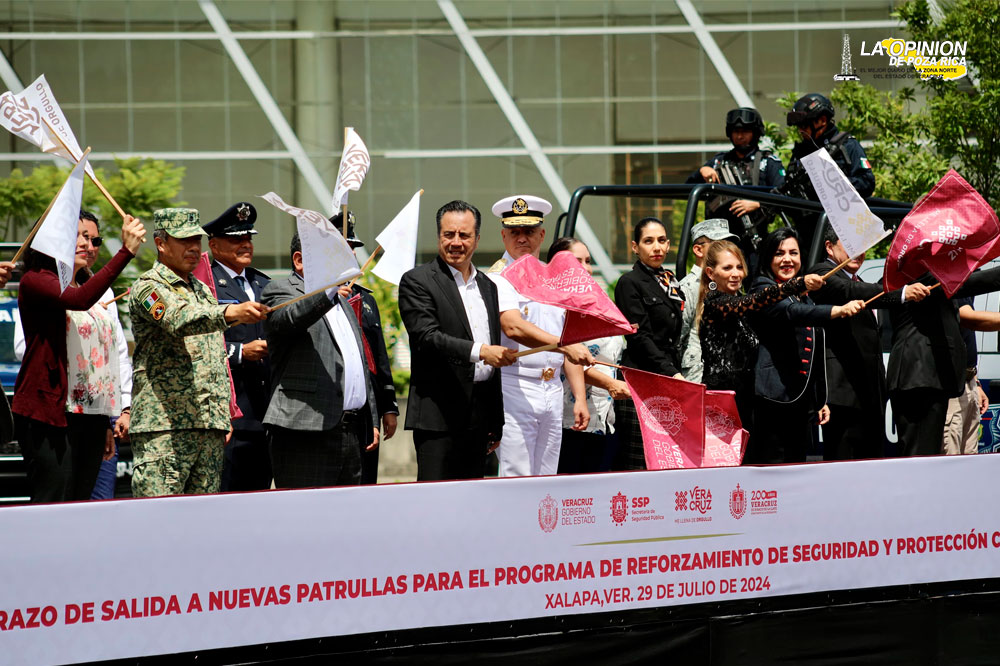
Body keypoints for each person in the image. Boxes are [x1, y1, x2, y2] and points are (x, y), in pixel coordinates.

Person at [129, 208, 268, 497]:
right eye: (184, 241)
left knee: (202, 524)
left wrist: (222, 415)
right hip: (164, 430)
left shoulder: (202, 291)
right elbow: (179, 319)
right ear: (161, 242)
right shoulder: (148, 288)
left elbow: (216, 358)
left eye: (197, 240)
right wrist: (231, 312)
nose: (194, 248)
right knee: (158, 522)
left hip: (208, 428)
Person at [13, 212, 144, 502]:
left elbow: (109, 357)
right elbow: (78, 301)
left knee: (81, 504)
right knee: (53, 501)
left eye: (92, 238)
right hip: (51, 414)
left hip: (90, 417)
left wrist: (106, 421)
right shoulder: (37, 281)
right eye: (79, 235)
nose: (88, 244)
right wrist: (126, 252)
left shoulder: (92, 287)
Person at [398, 200, 514, 481]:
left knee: (475, 503)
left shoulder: (487, 286)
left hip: (480, 417)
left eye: (464, 235)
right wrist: (481, 351)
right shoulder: (418, 281)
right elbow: (427, 337)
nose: (456, 242)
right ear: (438, 236)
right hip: (438, 417)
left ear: (477, 239)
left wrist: (495, 420)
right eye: (448, 234)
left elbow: (492, 358)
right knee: (435, 504)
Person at [261, 232, 380, 488]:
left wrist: (371, 418)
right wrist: (327, 291)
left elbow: (358, 366)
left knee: (346, 521)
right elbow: (289, 318)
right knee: (303, 520)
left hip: (350, 432)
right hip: (304, 431)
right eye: (331, 255)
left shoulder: (344, 303)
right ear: (299, 260)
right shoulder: (279, 290)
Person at [487, 194, 593, 477]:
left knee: (547, 478)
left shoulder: (552, 279)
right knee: (517, 476)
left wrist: (579, 397)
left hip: (552, 388)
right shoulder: (499, 278)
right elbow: (514, 327)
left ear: (542, 234)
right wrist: (565, 346)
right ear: (503, 235)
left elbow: (568, 338)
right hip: (515, 386)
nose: (522, 238)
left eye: (530, 231)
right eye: (515, 232)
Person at [806, 225, 930, 460]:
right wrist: (901, 293)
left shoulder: (859, 279)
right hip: (842, 393)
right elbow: (850, 290)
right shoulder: (823, 274)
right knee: (842, 465)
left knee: (870, 466)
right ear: (829, 247)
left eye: (862, 247)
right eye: (850, 245)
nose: (859, 252)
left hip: (870, 395)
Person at [748, 227, 864, 464]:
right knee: (772, 470)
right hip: (774, 399)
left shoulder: (804, 295)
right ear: (768, 257)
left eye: (794, 252)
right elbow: (794, 313)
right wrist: (838, 310)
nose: (787, 259)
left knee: (797, 467)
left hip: (801, 403)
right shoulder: (763, 288)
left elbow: (814, 352)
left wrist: (819, 399)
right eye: (779, 253)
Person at [694, 240, 822, 434]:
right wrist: (796, 284)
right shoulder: (715, 303)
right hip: (721, 402)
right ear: (711, 273)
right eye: (727, 268)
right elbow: (755, 300)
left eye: (739, 267)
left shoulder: (742, 305)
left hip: (749, 400)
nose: (736, 273)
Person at [886, 266, 1000, 458]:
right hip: (929, 378)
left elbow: (960, 335)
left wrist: (975, 380)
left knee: (966, 460)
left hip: (959, 380)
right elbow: (968, 316)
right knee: (942, 458)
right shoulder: (923, 273)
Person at [203, 202, 273, 492]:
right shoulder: (205, 285)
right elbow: (198, 344)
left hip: (265, 416)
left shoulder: (264, 283)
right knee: (225, 497)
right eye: (236, 239)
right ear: (214, 245)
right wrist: (240, 352)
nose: (246, 244)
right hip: (230, 415)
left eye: (248, 238)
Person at [546, 237, 629, 474]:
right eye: (577, 261)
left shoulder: (600, 306)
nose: (586, 267)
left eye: (588, 261)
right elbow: (566, 358)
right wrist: (610, 383)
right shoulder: (553, 309)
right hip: (569, 421)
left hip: (605, 420)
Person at [613, 217, 685, 470]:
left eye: (662, 240)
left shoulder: (670, 281)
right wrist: (673, 373)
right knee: (637, 463)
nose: (657, 247)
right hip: (641, 380)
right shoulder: (629, 282)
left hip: (670, 379)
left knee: (667, 460)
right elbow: (639, 336)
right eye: (648, 241)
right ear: (635, 246)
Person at [335, 210, 399, 485]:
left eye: (352, 247)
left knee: (365, 485)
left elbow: (379, 358)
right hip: (332, 410)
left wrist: (389, 406)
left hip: (367, 411)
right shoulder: (310, 296)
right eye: (341, 246)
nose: (349, 252)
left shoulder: (365, 299)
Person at [784, 93, 875, 255]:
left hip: (840, 234)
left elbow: (867, 182)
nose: (800, 131)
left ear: (822, 121)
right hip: (805, 235)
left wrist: (827, 185)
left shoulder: (847, 145)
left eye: (804, 125)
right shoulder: (800, 150)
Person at [686, 107, 785, 247]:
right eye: (736, 132)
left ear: (755, 133)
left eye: (745, 131)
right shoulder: (718, 161)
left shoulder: (768, 162)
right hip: (721, 240)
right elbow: (688, 188)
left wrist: (758, 203)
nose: (739, 136)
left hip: (755, 239)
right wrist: (702, 171)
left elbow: (784, 195)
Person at [678, 218, 738, 382]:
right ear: (698, 250)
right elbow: (679, 337)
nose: (726, 250)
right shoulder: (687, 287)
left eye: (728, 244)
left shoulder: (731, 285)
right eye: (718, 245)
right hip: (697, 377)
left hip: (728, 376)